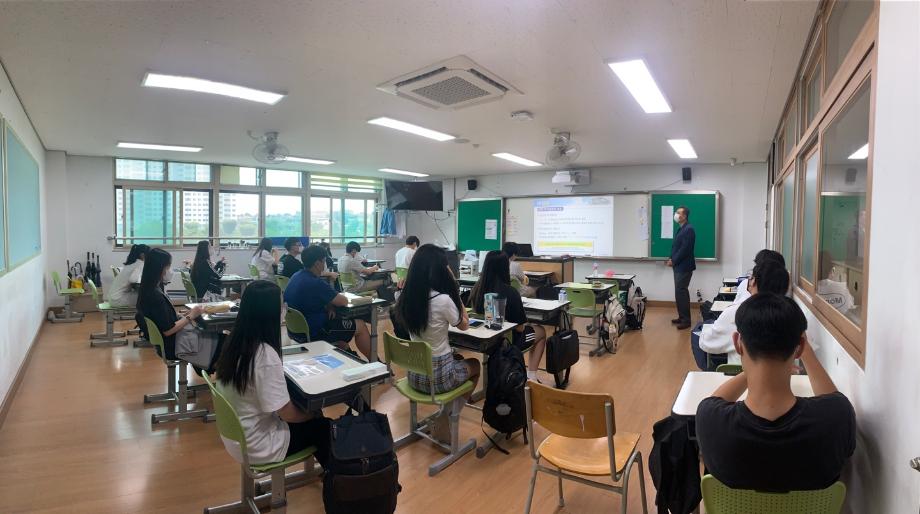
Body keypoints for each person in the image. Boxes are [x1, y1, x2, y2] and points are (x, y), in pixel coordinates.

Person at [696, 293, 856, 492]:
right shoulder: (837, 418)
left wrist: (753, 371)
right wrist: (805, 350)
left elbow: (714, 401)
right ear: (799, 348)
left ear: (737, 343)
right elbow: (833, 400)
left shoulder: (710, 419)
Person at [215, 280, 330, 466]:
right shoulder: (264, 355)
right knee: (324, 427)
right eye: (282, 305)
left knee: (311, 415)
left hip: (237, 437)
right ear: (270, 313)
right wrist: (313, 414)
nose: (284, 309)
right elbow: (287, 414)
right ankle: (336, 478)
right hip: (260, 445)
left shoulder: (235, 342)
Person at [395, 244, 480, 395]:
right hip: (439, 379)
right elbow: (465, 325)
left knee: (458, 357)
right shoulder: (443, 300)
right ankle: (453, 409)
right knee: (475, 364)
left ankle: (449, 407)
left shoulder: (403, 296)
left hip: (414, 375)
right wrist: (454, 288)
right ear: (440, 270)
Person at [694, 260, 790, 370]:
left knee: (699, 333)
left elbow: (707, 344)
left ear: (754, 282)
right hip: (778, 374)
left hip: (737, 373)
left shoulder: (739, 312)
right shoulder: (790, 316)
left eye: (751, 278)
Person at [470, 251, 548, 381]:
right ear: (505, 268)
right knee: (541, 331)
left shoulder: (476, 289)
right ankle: (532, 377)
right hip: (508, 342)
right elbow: (520, 329)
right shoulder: (510, 292)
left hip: (484, 341)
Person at [284, 245, 372, 359]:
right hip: (316, 331)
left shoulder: (296, 276)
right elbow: (343, 301)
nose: (324, 265)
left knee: (342, 341)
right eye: (324, 261)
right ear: (317, 263)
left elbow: (313, 299)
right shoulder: (316, 283)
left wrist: (330, 305)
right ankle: (374, 361)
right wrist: (332, 302)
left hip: (295, 331)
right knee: (360, 325)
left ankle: (354, 360)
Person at [136, 248, 204, 361]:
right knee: (219, 341)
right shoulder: (155, 295)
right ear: (159, 268)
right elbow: (168, 330)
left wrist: (182, 315)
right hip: (174, 345)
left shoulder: (148, 289)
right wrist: (191, 316)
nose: (170, 270)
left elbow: (162, 318)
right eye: (168, 267)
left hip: (168, 342)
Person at [666, 206, 695, 329]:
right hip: (678, 266)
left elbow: (685, 249)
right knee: (679, 292)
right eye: (676, 212)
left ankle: (686, 321)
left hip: (684, 266)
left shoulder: (689, 229)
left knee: (681, 292)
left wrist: (674, 260)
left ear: (684, 216)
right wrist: (671, 258)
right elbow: (676, 247)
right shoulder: (681, 229)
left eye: (678, 213)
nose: (676, 214)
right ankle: (682, 317)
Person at [106, 244, 149, 308]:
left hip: (112, 298)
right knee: (147, 297)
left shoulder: (131, 263)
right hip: (117, 299)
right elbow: (133, 280)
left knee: (142, 295)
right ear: (142, 255)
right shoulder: (140, 263)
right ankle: (143, 314)